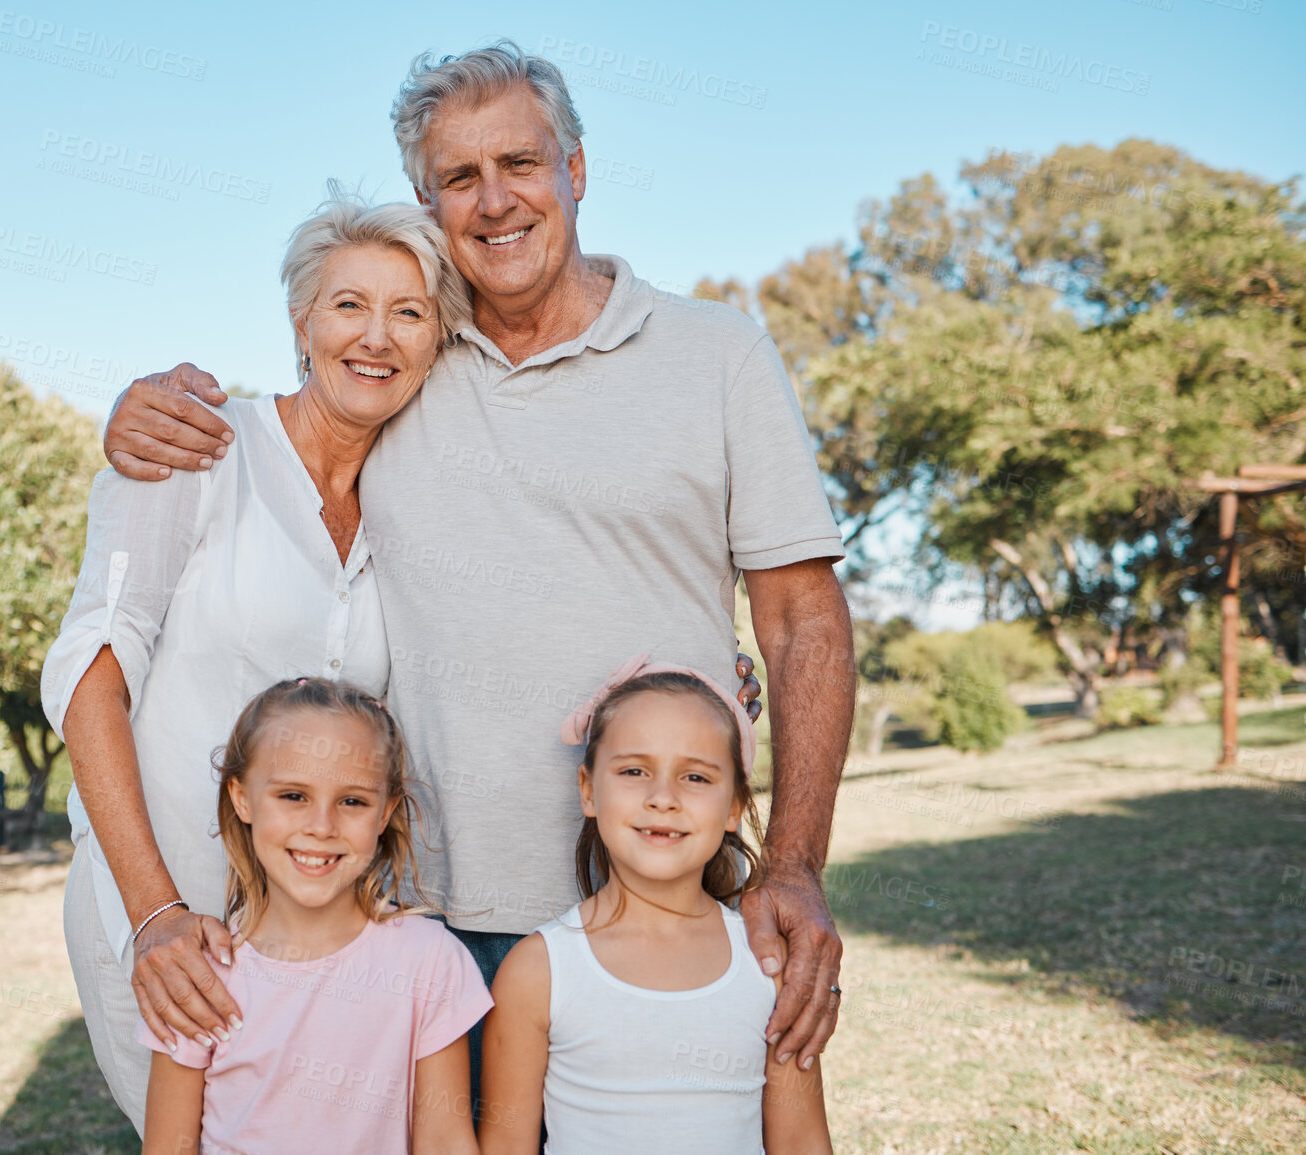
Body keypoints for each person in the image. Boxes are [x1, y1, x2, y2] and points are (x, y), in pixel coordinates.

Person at [101, 40, 854, 1076]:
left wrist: (798, 865)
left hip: (666, 901)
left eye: (521, 165)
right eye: (460, 177)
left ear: (576, 171)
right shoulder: (404, 364)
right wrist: (144, 409)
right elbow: (285, 439)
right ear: (428, 200)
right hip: (427, 921)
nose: (495, 201)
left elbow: (803, 622)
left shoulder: (717, 355)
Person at [40, 190, 472, 1134]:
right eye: (348, 304)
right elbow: (90, 680)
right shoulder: (194, 448)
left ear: (437, 339)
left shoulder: (412, 501)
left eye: (410, 311)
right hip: (167, 917)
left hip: (325, 940)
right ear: (301, 321)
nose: (377, 336)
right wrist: (154, 914)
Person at [479, 658, 830, 1154]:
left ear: (734, 807)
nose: (662, 797)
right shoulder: (539, 971)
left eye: (696, 778)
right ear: (588, 790)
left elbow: (802, 1143)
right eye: (634, 770)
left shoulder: (768, 964)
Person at [140, 678, 489, 1154]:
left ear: (384, 813)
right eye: (293, 796)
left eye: (352, 801)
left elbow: (446, 1142)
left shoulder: (432, 962)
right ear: (242, 798)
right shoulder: (201, 973)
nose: (321, 826)